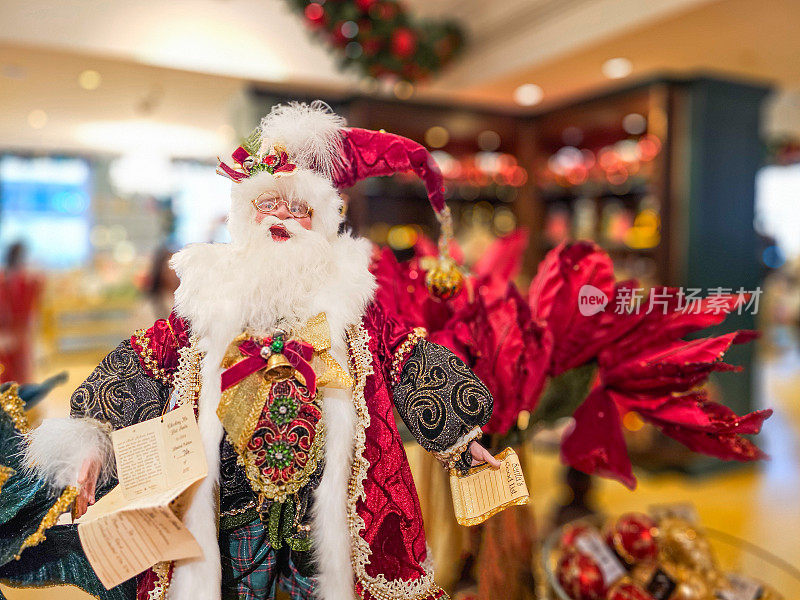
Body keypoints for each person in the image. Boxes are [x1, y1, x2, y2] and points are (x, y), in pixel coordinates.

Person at [10, 102, 499, 600]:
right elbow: (147, 356)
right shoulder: (211, 293)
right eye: (268, 206)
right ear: (247, 217)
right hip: (234, 506)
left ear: (320, 222)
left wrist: (461, 432)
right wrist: (91, 441)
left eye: (297, 208)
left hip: (324, 503)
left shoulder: (349, 298)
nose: (280, 218)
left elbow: (405, 356)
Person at [0, 242, 42, 385]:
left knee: (19, 375)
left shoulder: (27, 280)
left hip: (18, 335)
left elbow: (31, 311)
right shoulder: (17, 280)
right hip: (9, 337)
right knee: (11, 375)